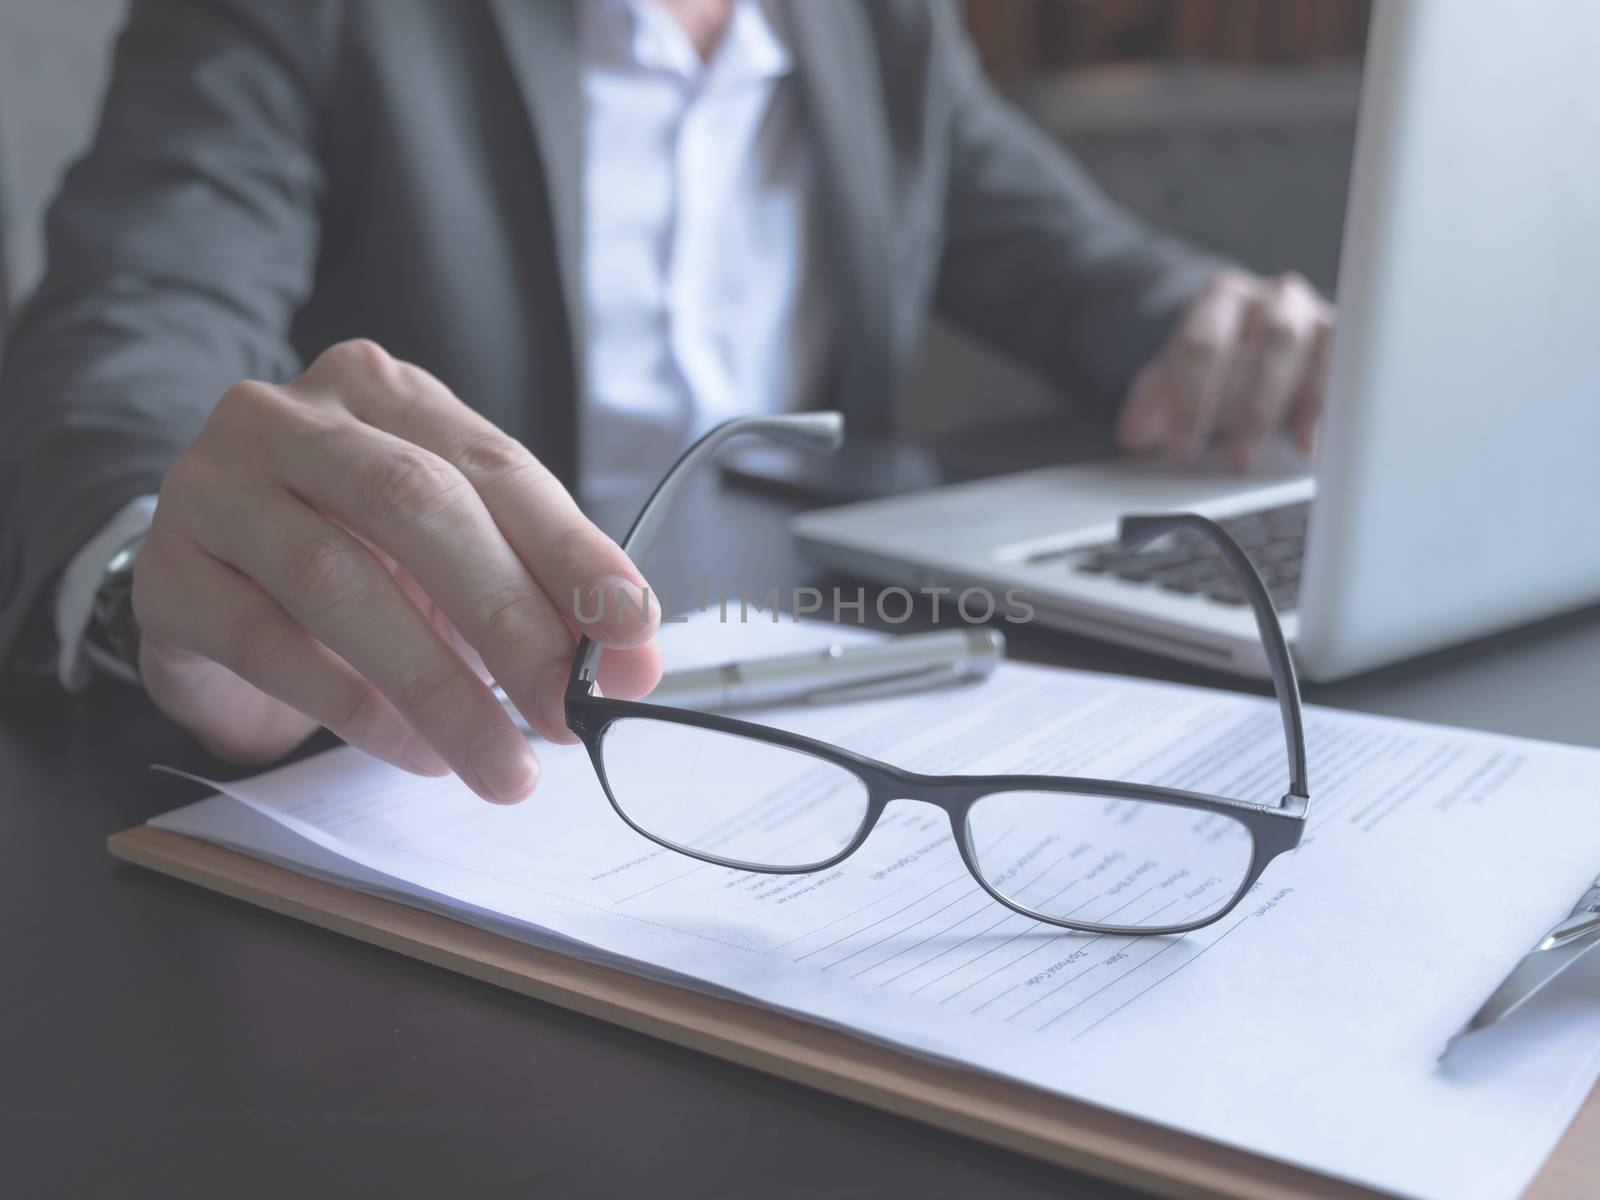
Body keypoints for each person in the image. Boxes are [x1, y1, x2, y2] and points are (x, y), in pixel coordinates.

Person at [0, 0, 1332, 805]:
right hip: (455, 749)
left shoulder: (876, 20)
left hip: (829, 700)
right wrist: (150, 571)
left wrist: (1217, 324)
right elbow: (138, 316)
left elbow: (1051, 247)